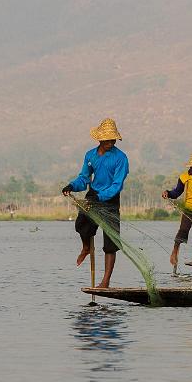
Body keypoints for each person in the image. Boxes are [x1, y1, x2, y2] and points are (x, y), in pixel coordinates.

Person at [62, 118, 129, 288]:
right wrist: (71, 186)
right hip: (93, 195)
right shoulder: (90, 155)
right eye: (108, 139)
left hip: (110, 199)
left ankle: (105, 282)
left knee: (111, 242)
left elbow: (117, 185)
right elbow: (84, 178)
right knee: (82, 225)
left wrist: (101, 197)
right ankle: (86, 247)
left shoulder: (121, 158)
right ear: (100, 139)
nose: (111, 142)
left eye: (113, 139)